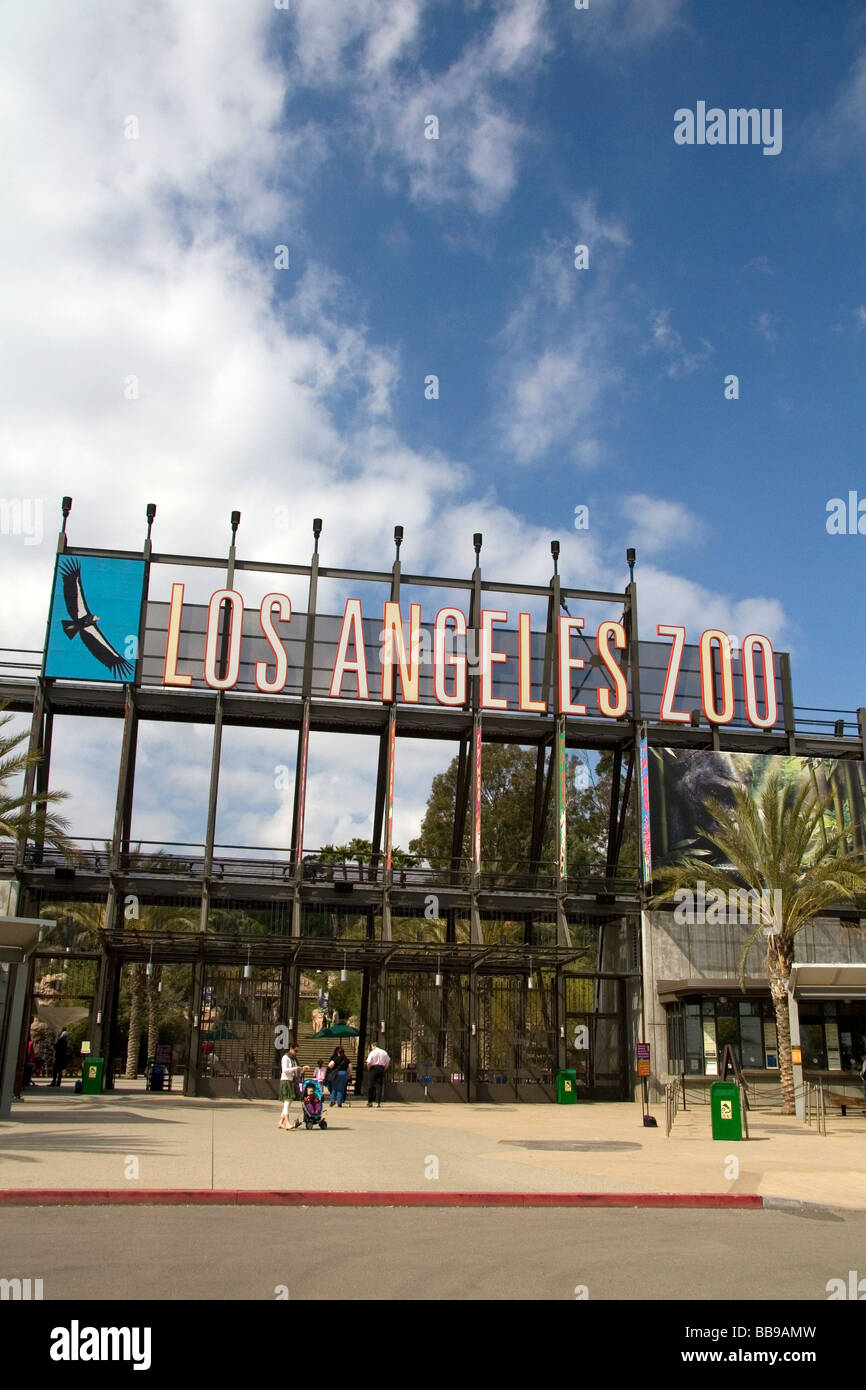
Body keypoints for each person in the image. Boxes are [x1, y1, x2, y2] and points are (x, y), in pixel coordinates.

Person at [278, 1045, 306, 1129]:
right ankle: (287, 1122)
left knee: (289, 1102)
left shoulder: (294, 1059)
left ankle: (280, 1122)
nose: (296, 1053)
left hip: (292, 1081)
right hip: (286, 1080)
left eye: (298, 1051)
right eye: (295, 1051)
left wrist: (303, 1069)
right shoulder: (285, 1058)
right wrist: (295, 1068)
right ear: (291, 1049)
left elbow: (297, 1070)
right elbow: (285, 1070)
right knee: (287, 1102)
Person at [365, 1042, 390, 1107]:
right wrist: (384, 1069)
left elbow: (368, 1062)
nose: (371, 1048)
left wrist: (369, 1069)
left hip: (373, 1068)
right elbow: (388, 1062)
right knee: (379, 1086)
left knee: (371, 1085)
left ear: (373, 1046)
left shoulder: (372, 1052)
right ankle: (378, 1102)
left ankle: (370, 1102)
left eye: (371, 1047)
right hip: (381, 1068)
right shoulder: (384, 1052)